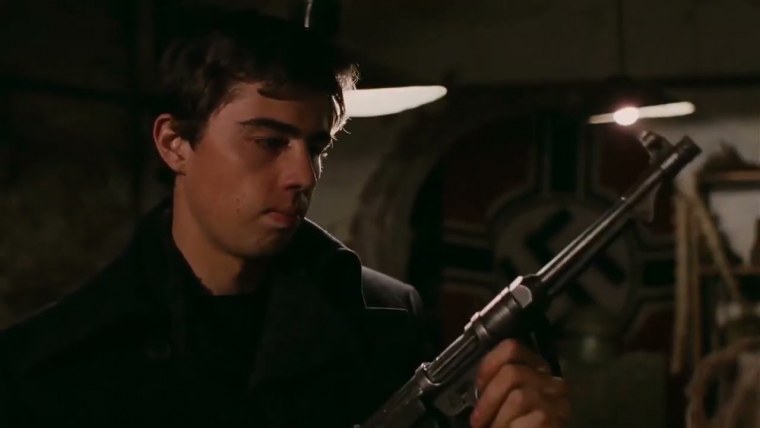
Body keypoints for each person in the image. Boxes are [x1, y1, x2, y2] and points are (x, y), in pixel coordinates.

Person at [0, 10, 569, 428]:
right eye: (268, 141)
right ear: (175, 143)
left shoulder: (387, 319)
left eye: (316, 147)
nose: (303, 175)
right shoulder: (50, 364)